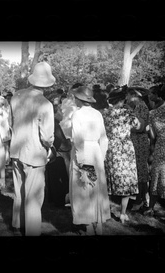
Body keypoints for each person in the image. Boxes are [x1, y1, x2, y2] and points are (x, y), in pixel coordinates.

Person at [9, 61, 55, 236]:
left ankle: (17, 223)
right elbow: (47, 136)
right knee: (33, 195)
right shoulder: (45, 104)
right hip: (35, 153)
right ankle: (32, 230)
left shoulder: (16, 96)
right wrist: (50, 147)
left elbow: (10, 124)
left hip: (16, 149)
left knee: (19, 189)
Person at [69, 86, 110, 235]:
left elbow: (78, 139)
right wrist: (101, 157)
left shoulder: (77, 114)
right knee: (94, 186)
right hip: (96, 152)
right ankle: (96, 223)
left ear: (79, 99)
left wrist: (81, 162)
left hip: (84, 152)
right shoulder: (97, 114)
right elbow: (104, 138)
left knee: (84, 187)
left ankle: (87, 224)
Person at [102, 85, 141, 223]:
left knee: (108, 179)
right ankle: (123, 213)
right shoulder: (128, 113)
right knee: (127, 179)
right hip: (125, 148)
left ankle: (105, 210)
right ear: (122, 100)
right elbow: (137, 125)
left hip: (111, 147)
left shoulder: (105, 113)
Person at [144, 82, 165, 225]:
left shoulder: (153, 113)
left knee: (156, 178)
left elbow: (153, 137)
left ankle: (150, 209)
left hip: (161, 147)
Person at [125, 88, 150, 211]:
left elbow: (142, 127)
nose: (127, 99)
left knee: (140, 171)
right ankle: (138, 198)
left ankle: (141, 199)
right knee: (137, 171)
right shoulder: (136, 107)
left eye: (128, 96)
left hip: (140, 142)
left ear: (134, 96)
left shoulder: (141, 107)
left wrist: (126, 126)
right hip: (136, 141)